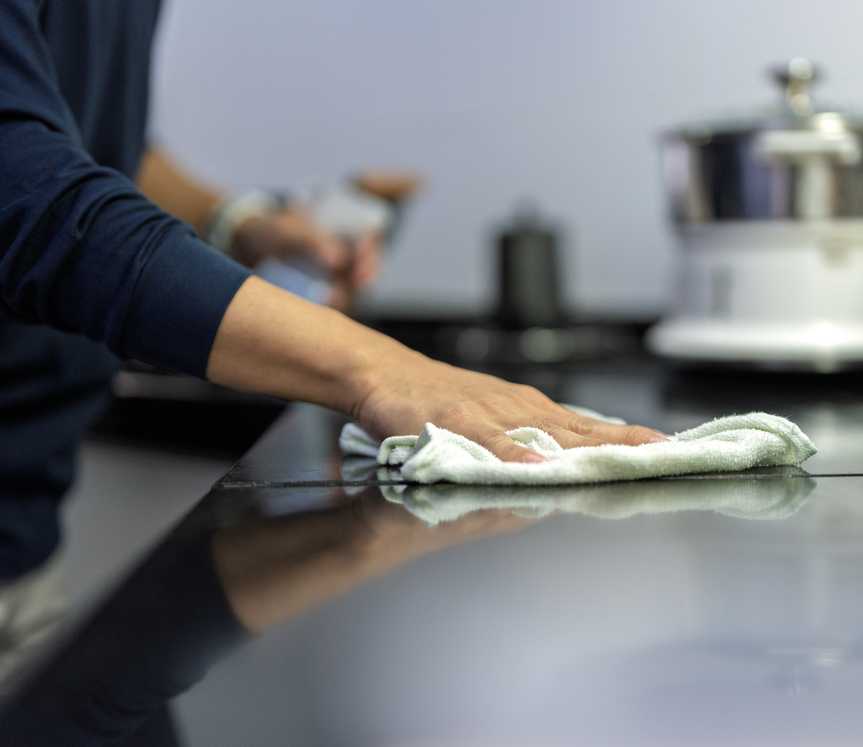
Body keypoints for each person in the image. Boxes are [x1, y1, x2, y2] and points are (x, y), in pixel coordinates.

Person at [0, 0, 665, 660]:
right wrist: (382, 370)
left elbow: (77, 130)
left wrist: (237, 221)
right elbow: (19, 177)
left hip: (30, 538)